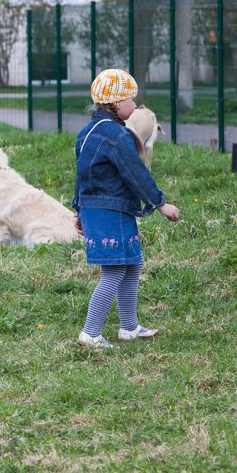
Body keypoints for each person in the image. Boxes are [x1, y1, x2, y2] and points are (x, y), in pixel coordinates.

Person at [72, 69, 180, 348]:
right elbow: (136, 173)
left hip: (98, 209)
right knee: (115, 271)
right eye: (132, 99)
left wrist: (78, 210)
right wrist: (160, 203)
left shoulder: (86, 133)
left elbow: (82, 175)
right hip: (112, 212)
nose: (135, 105)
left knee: (132, 264)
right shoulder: (117, 136)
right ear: (117, 104)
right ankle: (91, 332)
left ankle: (129, 327)